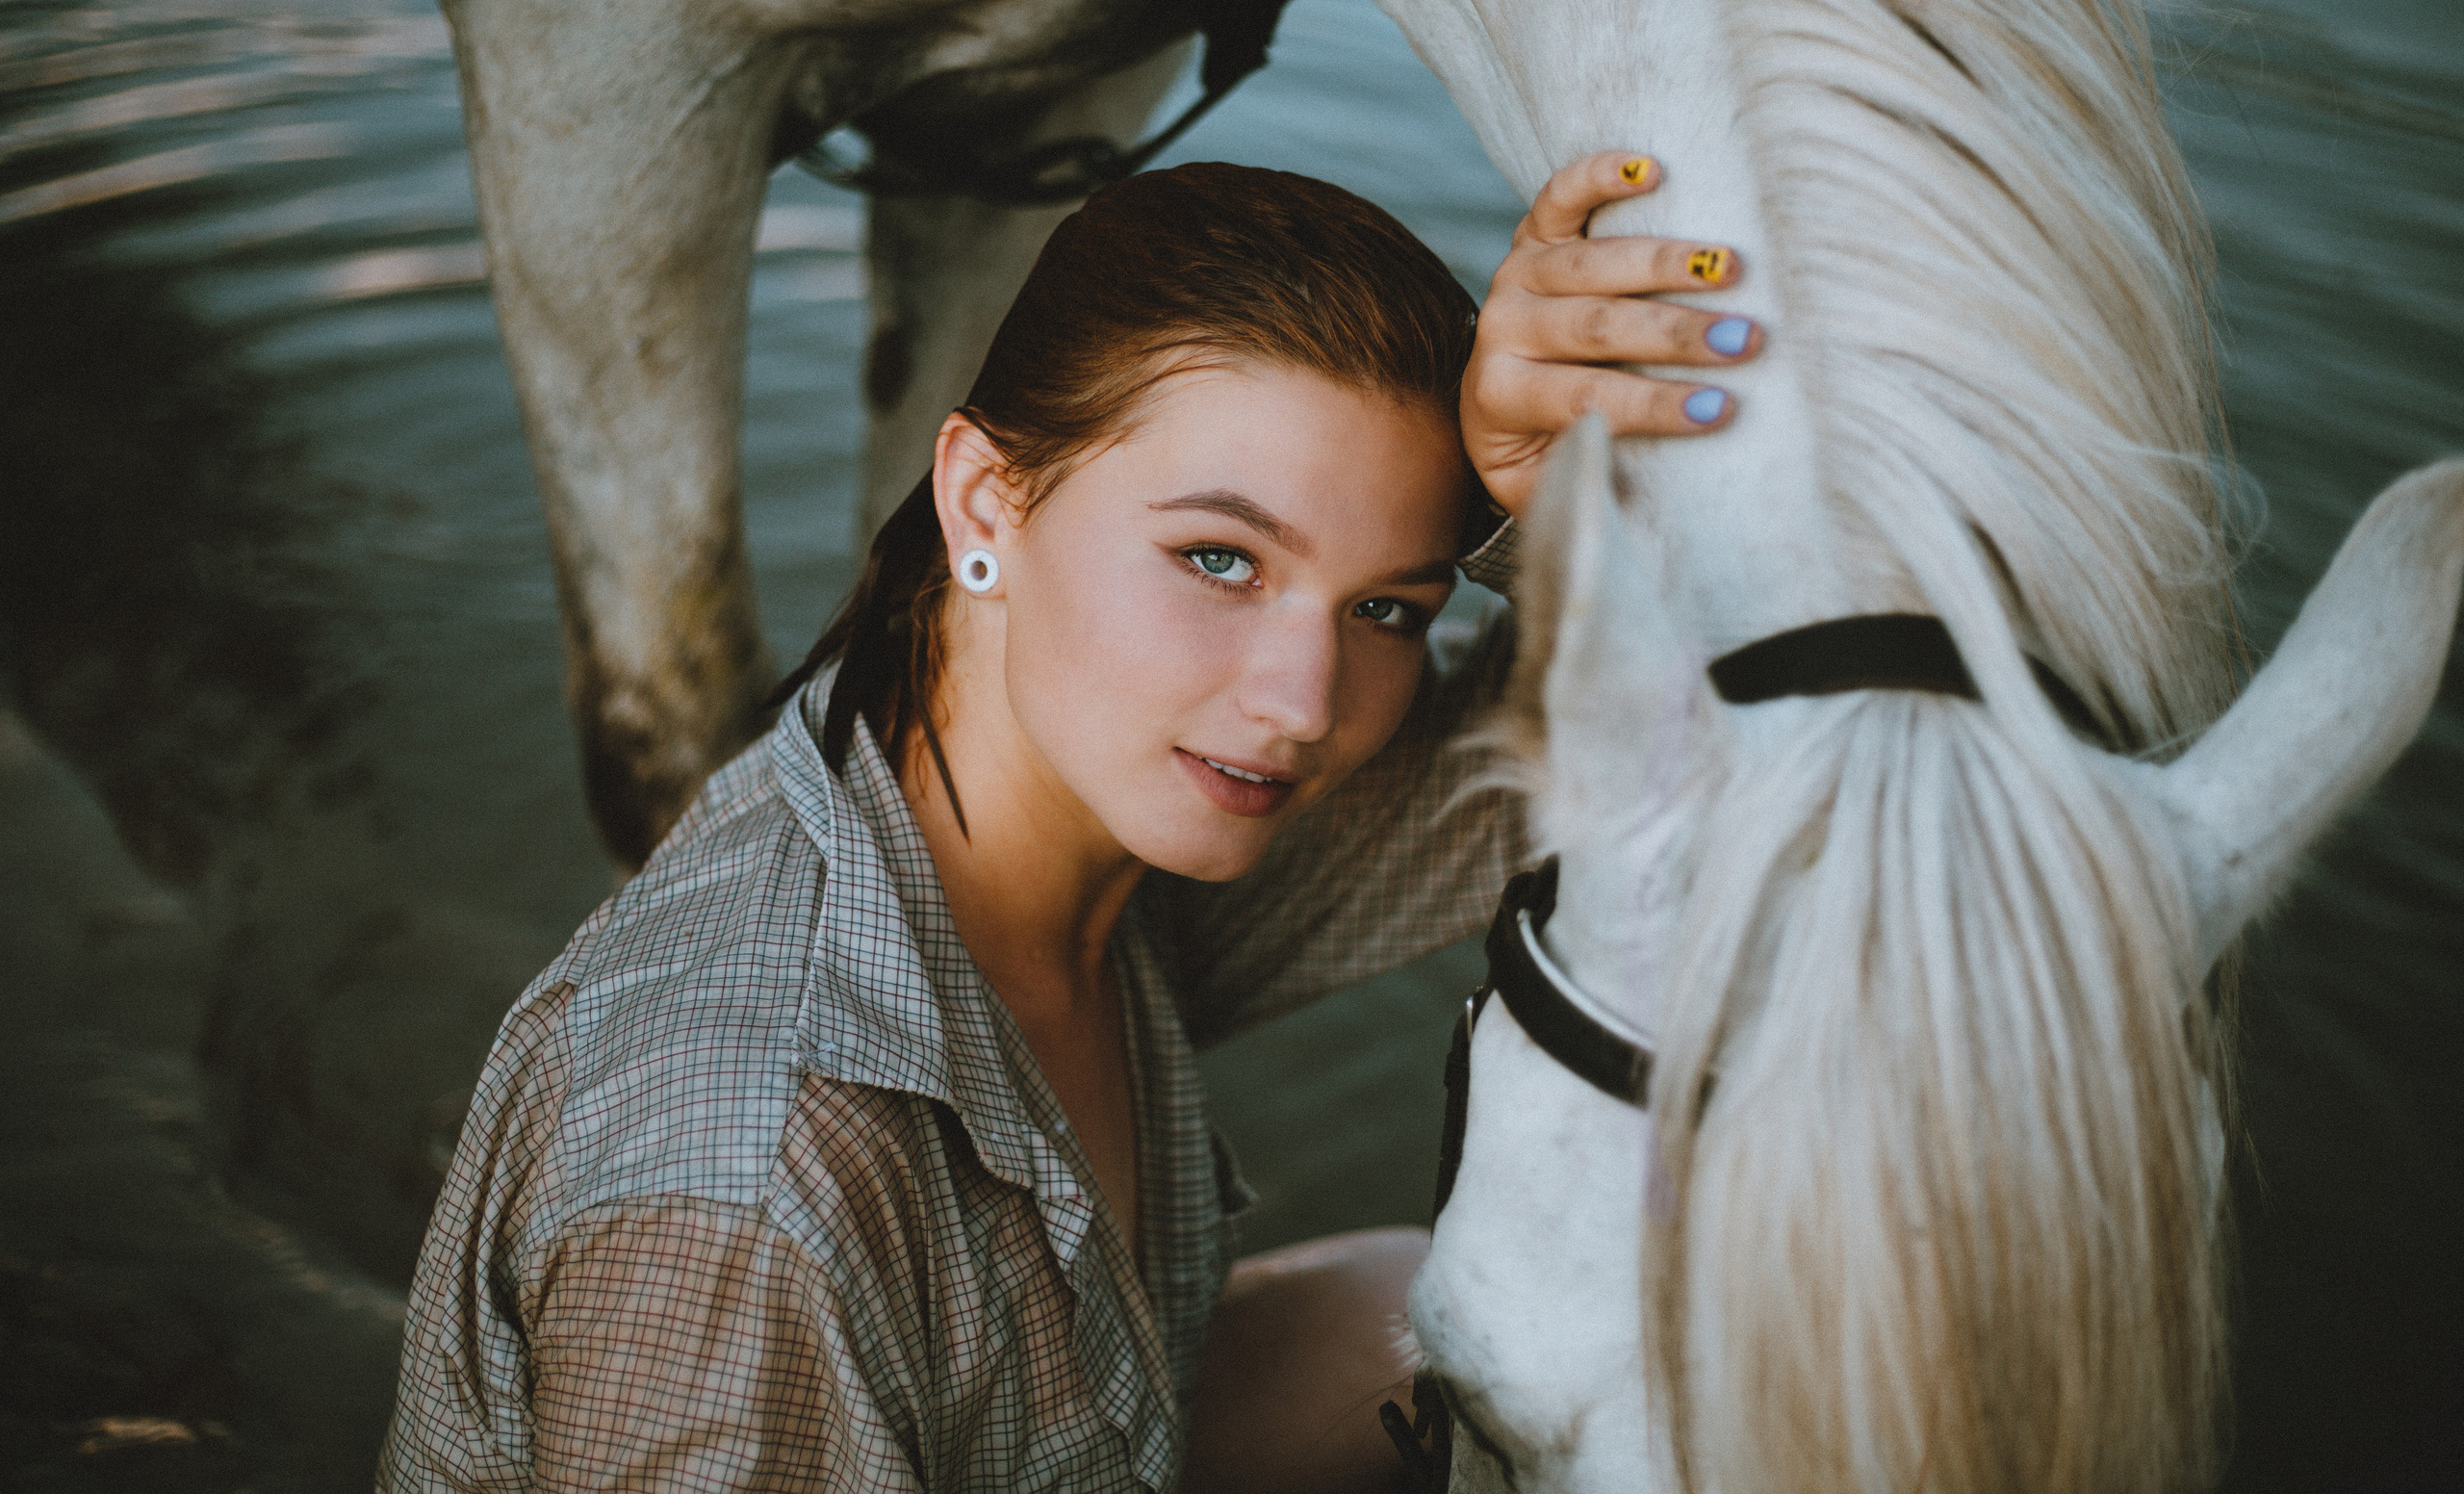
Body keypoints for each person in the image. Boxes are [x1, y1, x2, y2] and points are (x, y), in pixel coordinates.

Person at [377, 150, 1762, 1494]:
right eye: (1220, 559)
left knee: (1432, 1310)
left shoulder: (1090, 805)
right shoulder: (752, 1189)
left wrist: (1551, 502)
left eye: (1388, 607)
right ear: (986, 496)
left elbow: (1685, 743)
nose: (1301, 701)